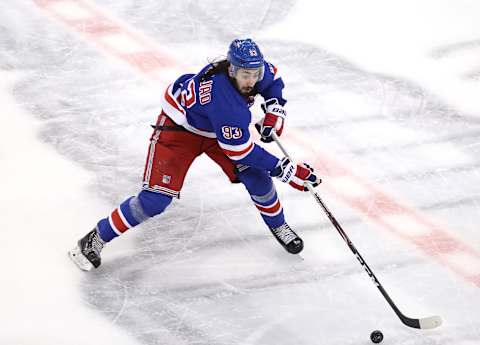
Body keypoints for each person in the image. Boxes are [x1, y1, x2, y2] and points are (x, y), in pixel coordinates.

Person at [69, 38, 321, 271]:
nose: (252, 81)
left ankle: (278, 225)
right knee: (154, 201)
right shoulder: (225, 102)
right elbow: (240, 151)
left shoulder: (251, 71)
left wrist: (275, 109)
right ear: (232, 70)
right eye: (246, 75)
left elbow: (272, 80)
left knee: (258, 179)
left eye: (255, 74)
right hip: (179, 131)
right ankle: (94, 238)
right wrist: (285, 169)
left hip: (216, 129)